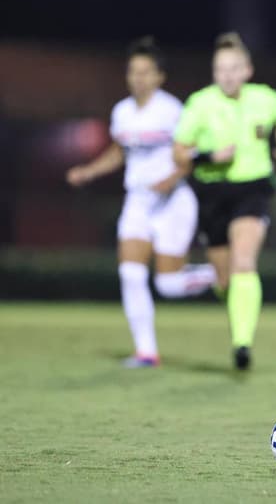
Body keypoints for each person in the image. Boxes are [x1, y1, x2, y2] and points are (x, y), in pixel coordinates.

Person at [66, 36, 216, 368]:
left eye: (146, 72)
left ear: (160, 76)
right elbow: (119, 151)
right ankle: (146, 353)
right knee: (131, 275)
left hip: (172, 202)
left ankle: (218, 273)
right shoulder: (122, 112)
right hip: (138, 202)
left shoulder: (172, 110)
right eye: (133, 71)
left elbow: (190, 155)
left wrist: (171, 179)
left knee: (169, 285)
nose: (139, 78)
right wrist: (88, 171)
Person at [173, 32, 276, 371]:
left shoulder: (265, 98)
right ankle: (234, 308)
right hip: (212, 193)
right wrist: (209, 156)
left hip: (253, 189)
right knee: (225, 282)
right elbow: (179, 153)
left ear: (247, 70)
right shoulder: (200, 103)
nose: (226, 75)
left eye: (233, 68)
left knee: (244, 262)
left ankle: (242, 344)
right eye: (220, 69)